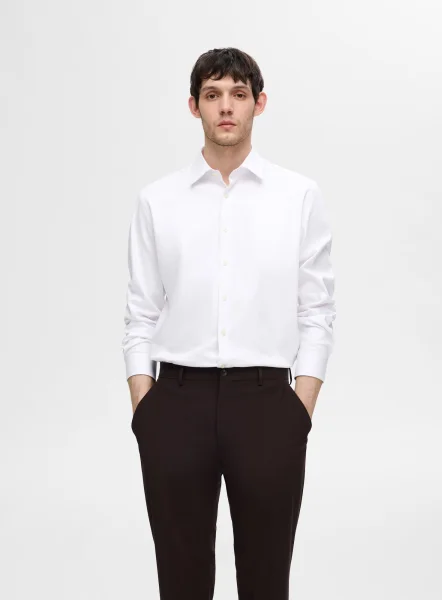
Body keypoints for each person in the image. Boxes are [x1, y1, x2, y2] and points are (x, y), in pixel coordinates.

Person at [121, 47, 336, 600]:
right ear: (193, 105)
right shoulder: (157, 200)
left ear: (258, 104)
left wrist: (299, 410)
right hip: (176, 402)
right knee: (181, 580)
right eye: (213, 94)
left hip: (267, 405)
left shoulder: (298, 196)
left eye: (238, 95)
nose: (225, 107)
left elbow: (317, 310)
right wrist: (145, 407)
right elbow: (140, 311)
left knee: (266, 580)